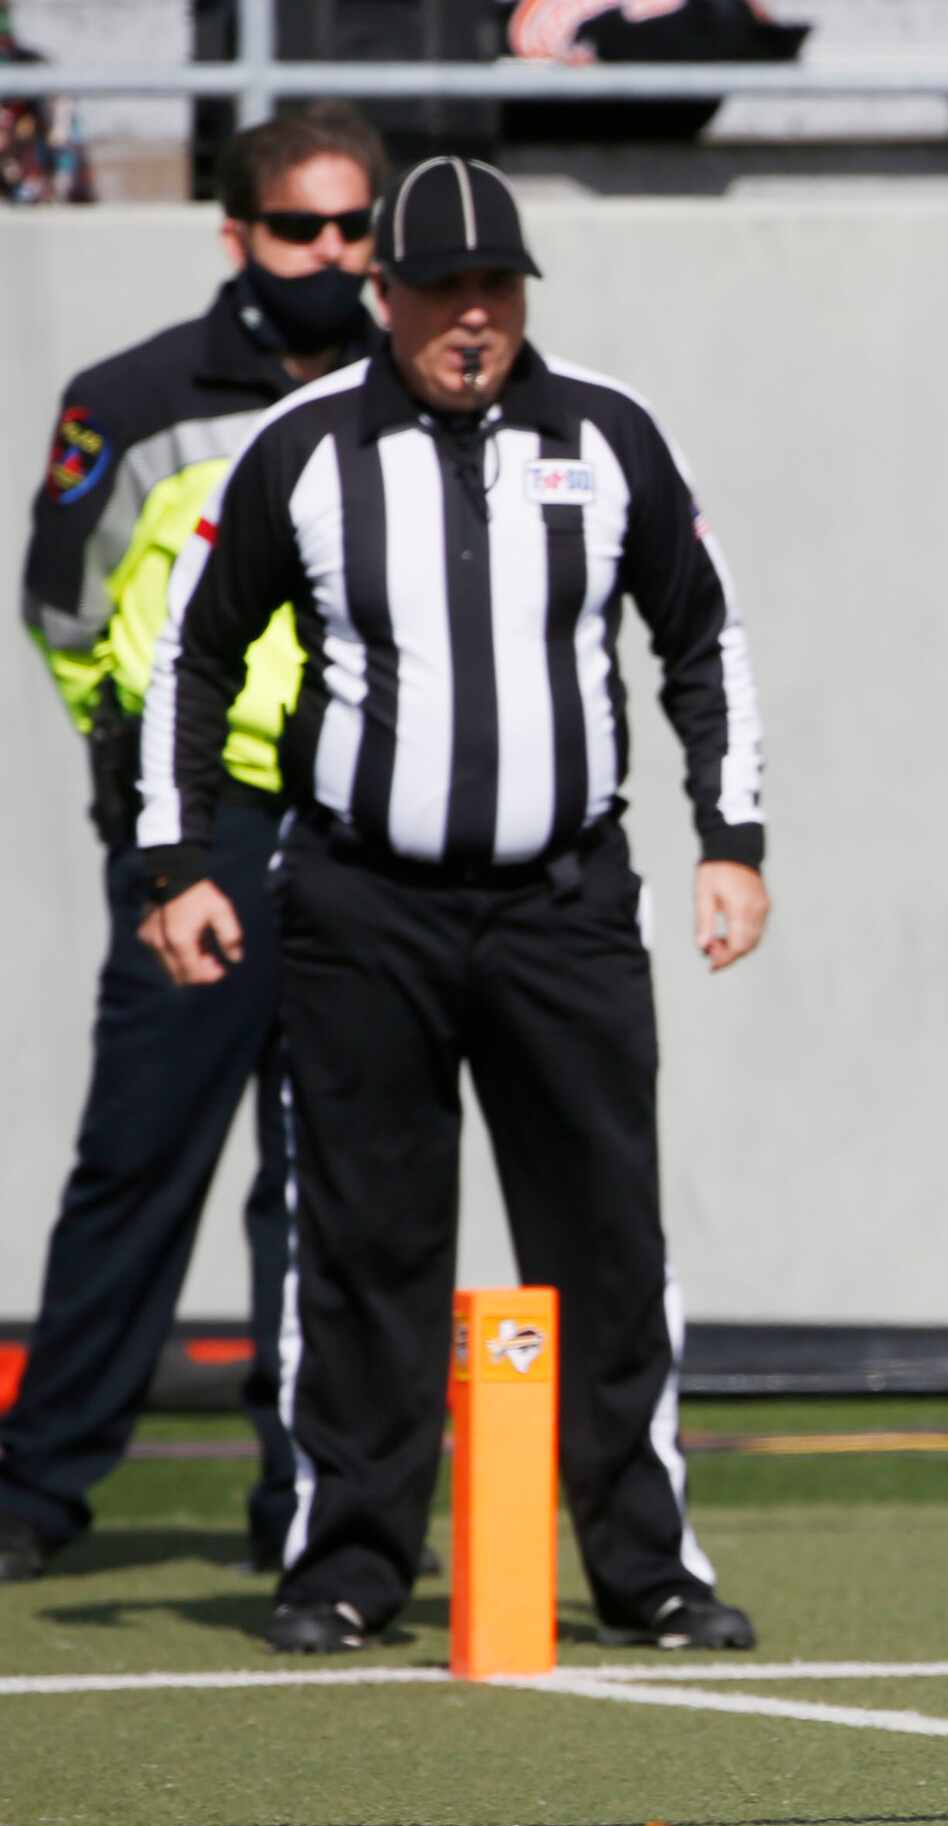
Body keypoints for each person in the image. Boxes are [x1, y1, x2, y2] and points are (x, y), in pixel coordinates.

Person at [135, 155, 772, 1654]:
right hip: (365, 903)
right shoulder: (302, 448)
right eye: (441, 289)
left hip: (564, 903)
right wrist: (180, 867)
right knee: (365, 1239)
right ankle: (348, 1562)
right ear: (385, 293)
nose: (472, 318)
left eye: (497, 287)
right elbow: (192, 658)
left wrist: (730, 836)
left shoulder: (609, 437)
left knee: (608, 1233)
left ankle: (645, 1564)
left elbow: (704, 639)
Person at [5, 104, 386, 1584]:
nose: (333, 256)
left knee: (331, 1177)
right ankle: (40, 1490)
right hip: (203, 832)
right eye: (302, 228)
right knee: (139, 1162)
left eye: (356, 228)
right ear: (235, 234)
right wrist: (154, 816)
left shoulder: (409, 391)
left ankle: (306, 1496)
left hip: (362, 834)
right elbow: (69, 616)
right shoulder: (136, 395)